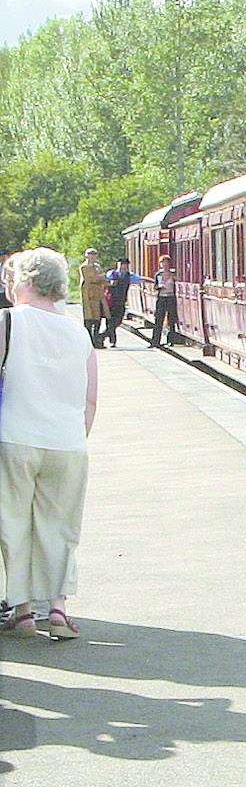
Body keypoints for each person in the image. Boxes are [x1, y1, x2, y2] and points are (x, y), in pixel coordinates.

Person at [0, 248, 98, 639]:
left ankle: (22, 610)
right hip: (68, 442)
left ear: (23, 281)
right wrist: (74, 435)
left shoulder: (7, 322)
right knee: (59, 527)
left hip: (14, 438)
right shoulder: (79, 331)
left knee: (13, 523)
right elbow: (90, 400)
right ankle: (57, 608)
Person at [102, 259, 139, 349]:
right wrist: (110, 283)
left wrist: (153, 281)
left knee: (117, 321)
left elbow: (139, 279)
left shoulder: (129, 276)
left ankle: (101, 336)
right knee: (109, 322)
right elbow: (105, 281)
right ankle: (112, 341)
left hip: (121, 302)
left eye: (125, 265)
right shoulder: (111, 273)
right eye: (122, 265)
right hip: (111, 302)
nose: (124, 267)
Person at [78, 249, 106, 347]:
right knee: (89, 318)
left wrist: (101, 278)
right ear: (87, 256)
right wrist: (100, 277)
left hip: (98, 295)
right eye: (91, 255)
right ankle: (88, 340)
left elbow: (102, 279)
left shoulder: (98, 267)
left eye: (95, 255)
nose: (93, 257)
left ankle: (96, 339)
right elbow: (91, 279)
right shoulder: (84, 267)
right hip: (88, 295)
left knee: (98, 318)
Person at [150, 255, 177, 349]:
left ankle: (171, 340)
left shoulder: (173, 274)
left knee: (171, 320)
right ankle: (155, 341)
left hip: (171, 298)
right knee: (158, 319)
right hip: (161, 298)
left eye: (166, 263)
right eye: (163, 263)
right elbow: (155, 286)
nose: (165, 265)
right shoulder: (158, 275)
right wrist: (159, 287)